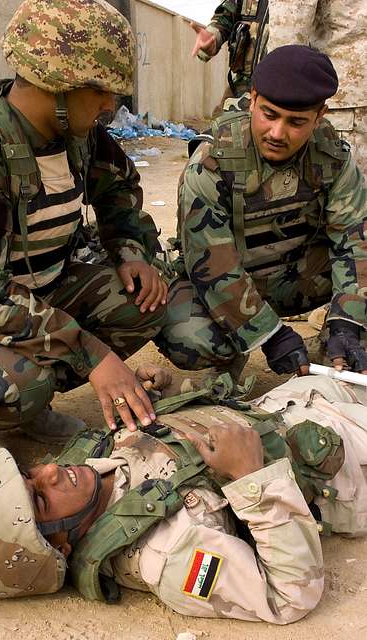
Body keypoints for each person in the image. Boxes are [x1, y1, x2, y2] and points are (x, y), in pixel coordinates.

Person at [0, 370, 367, 623]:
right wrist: (250, 476)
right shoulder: (167, 556)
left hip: (300, 399)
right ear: (58, 543)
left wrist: (164, 396)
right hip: (350, 463)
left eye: (28, 473)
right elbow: (289, 596)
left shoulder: (88, 466)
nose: (50, 471)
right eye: (40, 499)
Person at [0, 0, 168, 467]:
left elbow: (117, 189)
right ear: (56, 85)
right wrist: (91, 351)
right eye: (101, 90)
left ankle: (30, 404)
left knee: (145, 303)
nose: (111, 105)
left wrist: (130, 252)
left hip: (43, 289)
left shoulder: (79, 132)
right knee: (17, 386)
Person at [156, 45, 367, 381]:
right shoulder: (212, 163)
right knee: (192, 341)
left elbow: (354, 239)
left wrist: (347, 320)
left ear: (320, 115)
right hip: (228, 278)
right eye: (269, 114)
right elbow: (213, 265)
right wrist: (270, 336)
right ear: (253, 99)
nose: (277, 133)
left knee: (358, 305)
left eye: (296, 122)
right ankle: (238, 342)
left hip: (297, 275)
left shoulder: (333, 158)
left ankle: (340, 339)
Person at [268, 0, 367, 176]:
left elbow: (288, 36)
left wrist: (271, 99)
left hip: (340, 106)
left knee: (340, 192)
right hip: (347, 103)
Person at [191, 0, 269, 111]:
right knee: (222, 125)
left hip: (289, 92)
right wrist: (212, 37)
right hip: (243, 89)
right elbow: (224, 18)